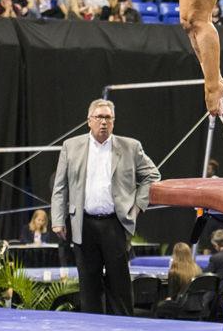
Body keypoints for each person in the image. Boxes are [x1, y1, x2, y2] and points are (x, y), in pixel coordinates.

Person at [51, 99, 160, 315]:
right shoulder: (70, 146)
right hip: (83, 223)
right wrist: (57, 219)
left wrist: (137, 207)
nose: (103, 122)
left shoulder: (130, 147)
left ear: (114, 122)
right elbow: (60, 186)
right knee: (88, 283)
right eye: (99, 117)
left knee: (119, 283)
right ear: (89, 121)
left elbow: (152, 175)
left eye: (108, 118)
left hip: (115, 223)